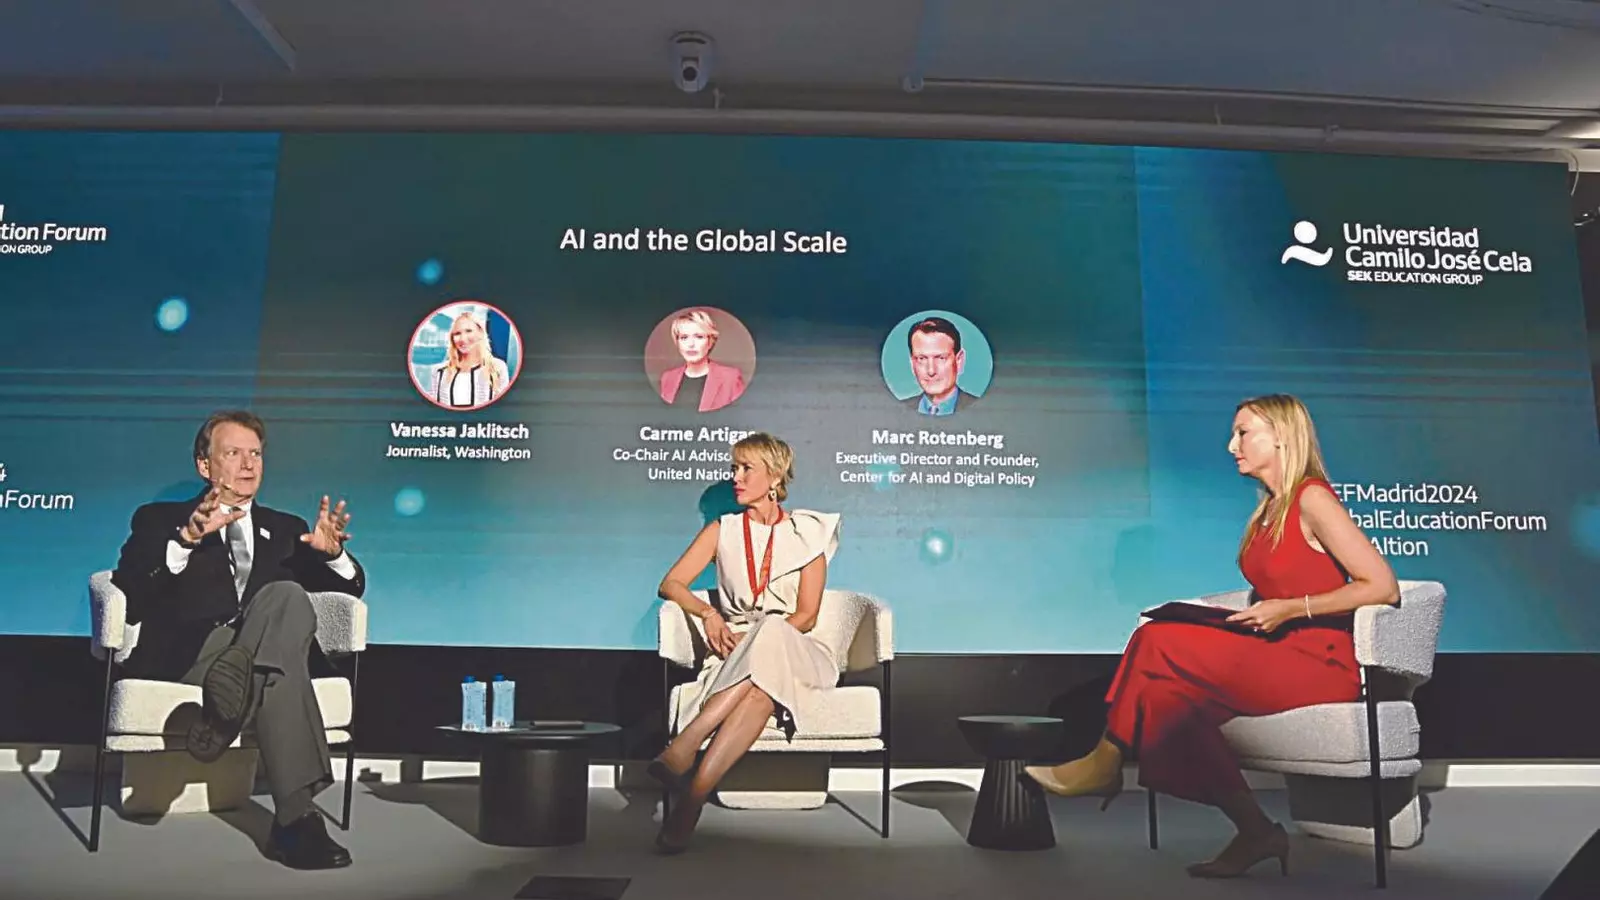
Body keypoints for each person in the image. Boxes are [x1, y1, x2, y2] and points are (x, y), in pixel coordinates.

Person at [1023, 394, 1400, 879]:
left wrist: (1291, 608)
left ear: (1281, 436)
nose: (1230, 446)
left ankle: (1105, 758)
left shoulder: (1312, 498)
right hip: (1275, 652)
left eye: (1243, 433)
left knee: (1158, 641)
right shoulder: (1267, 511)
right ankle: (1257, 831)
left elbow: (1381, 586)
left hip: (1319, 662)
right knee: (1161, 699)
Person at [111, 410, 365, 870]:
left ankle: (226, 713)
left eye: (256, 454)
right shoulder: (161, 519)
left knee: (288, 597)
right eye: (233, 453)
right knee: (279, 663)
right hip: (193, 656)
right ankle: (296, 819)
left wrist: (335, 557)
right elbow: (131, 592)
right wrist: (185, 541)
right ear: (204, 465)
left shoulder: (287, 529)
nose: (249, 464)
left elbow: (348, 591)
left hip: (261, 652)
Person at [649, 433, 842, 853]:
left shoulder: (808, 533)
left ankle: (687, 743)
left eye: (745, 469)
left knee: (771, 629)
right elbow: (671, 584)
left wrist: (759, 638)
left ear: (774, 477)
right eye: (733, 468)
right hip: (734, 655)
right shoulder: (724, 529)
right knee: (760, 693)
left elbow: (806, 615)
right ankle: (692, 802)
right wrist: (709, 614)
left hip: (797, 649)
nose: (735, 477)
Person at [657, 309, 747, 413]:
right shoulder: (668, 378)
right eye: (684, 337)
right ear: (677, 343)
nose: (691, 344)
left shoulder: (730, 378)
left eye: (699, 337)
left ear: (710, 342)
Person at [428, 310, 511, 409]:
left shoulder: (498, 367)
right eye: (457, 333)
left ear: (480, 333)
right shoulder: (439, 371)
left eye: (469, 331)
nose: (463, 339)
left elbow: (503, 409)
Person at [904, 316, 980, 415]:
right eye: (922, 358)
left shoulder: (983, 410)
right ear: (912, 363)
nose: (931, 371)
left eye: (941, 358)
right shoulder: (895, 411)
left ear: (959, 360)